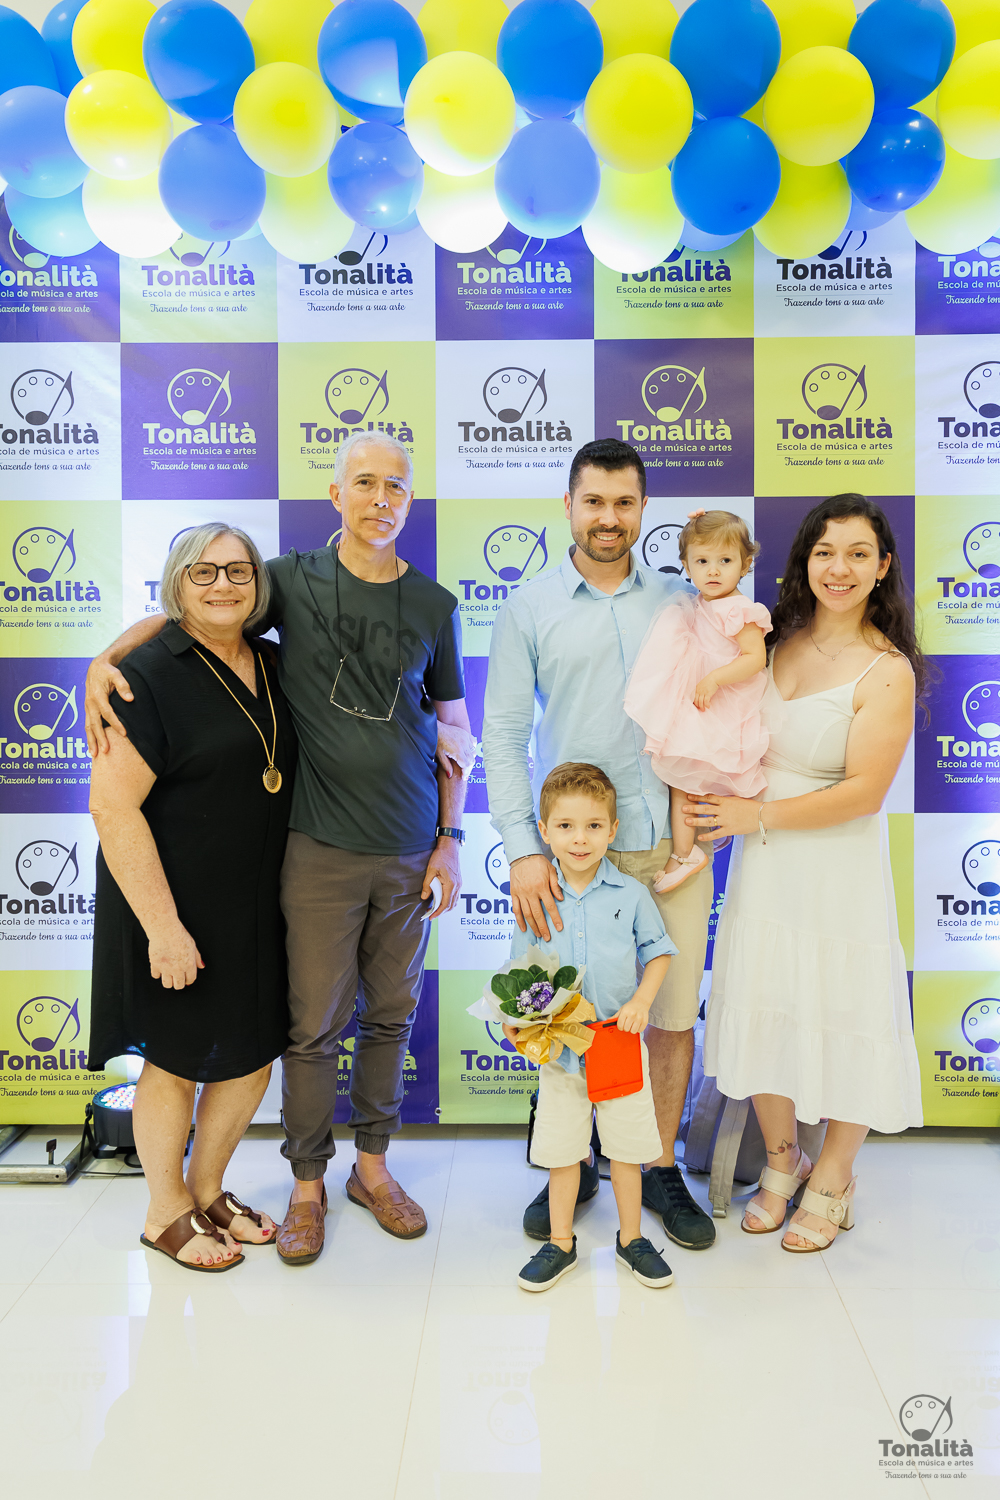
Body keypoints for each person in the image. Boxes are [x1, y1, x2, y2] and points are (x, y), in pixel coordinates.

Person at [85, 432, 474, 1265]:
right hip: (312, 851)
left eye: (395, 486)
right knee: (310, 1029)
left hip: (401, 852)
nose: (379, 498)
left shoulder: (434, 605)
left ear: (411, 499)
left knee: (387, 1018)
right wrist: (104, 659)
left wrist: (449, 838)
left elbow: (455, 733)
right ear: (335, 494)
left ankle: (369, 1171)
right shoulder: (289, 580)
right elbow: (188, 613)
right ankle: (303, 1187)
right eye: (362, 482)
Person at [484, 438, 717, 1251]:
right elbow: (503, 735)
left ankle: (657, 1163)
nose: (608, 518)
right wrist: (525, 849)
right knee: (562, 1012)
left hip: (669, 847)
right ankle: (573, 1161)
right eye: (594, 502)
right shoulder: (528, 607)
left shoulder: (683, 603)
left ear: (643, 509)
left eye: (624, 503)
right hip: (569, 852)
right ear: (569, 505)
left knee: (670, 1015)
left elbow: (723, 703)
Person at [693, 494, 924, 1253]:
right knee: (766, 1002)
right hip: (765, 865)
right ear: (805, 561)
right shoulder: (773, 641)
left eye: (859, 553)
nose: (840, 568)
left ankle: (834, 1176)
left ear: (883, 567)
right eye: (826, 551)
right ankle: (783, 1161)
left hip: (836, 866)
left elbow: (864, 793)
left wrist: (753, 816)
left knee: (848, 1010)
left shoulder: (887, 670)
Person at [88, 524, 297, 1271]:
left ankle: (207, 1189)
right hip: (170, 901)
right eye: (202, 572)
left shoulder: (271, 659)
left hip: (257, 898)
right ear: (177, 583)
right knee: (175, 1061)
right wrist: (164, 927)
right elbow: (112, 808)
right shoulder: (144, 676)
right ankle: (164, 1211)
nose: (222, 585)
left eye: (238, 571)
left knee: (252, 1056)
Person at [511, 764, 678, 1293]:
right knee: (563, 1152)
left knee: (626, 1150)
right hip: (561, 1051)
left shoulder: (631, 894)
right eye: (565, 826)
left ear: (613, 829)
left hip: (618, 1045)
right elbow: (520, 975)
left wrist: (642, 1000)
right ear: (544, 831)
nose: (579, 839)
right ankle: (560, 1243)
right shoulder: (538, 900)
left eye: (593, 826)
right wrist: (519, 1026)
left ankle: (632, 1239)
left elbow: (658, 952)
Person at [624, 508, 772, 892]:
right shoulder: (697, 603)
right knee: (681, 781)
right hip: (699, 703)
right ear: (687, 566)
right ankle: (686, 851)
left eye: (725, 561)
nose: (713, 571)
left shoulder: (740, 609)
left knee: (689, 781)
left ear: (746, 564)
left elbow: (755, 658)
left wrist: (714, 679)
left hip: (721, 704)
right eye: (702, 561)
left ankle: (687, 851)